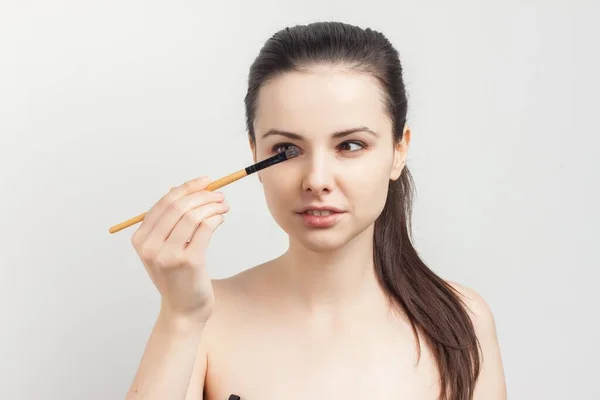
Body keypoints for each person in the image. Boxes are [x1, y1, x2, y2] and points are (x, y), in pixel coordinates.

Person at [124, 21, 507, 400]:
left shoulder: (463, 321)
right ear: (254, 152)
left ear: (398, 152)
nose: (316, 179)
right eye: (286, 150)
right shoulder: (204, 318)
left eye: (351, 146)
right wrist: (181, 318)